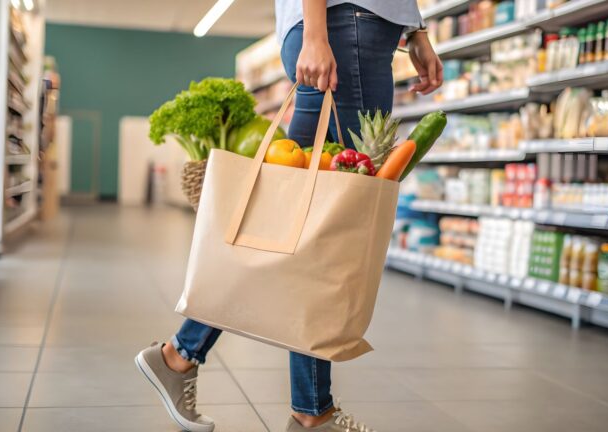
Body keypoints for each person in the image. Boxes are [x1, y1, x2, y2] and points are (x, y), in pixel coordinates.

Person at [135, 1, 443, 431]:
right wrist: (317, 33)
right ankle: (310, 411)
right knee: (327, 224)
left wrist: (415, 31)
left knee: (295, 219)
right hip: (344, 26)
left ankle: (182, 356)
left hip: (357, 28)